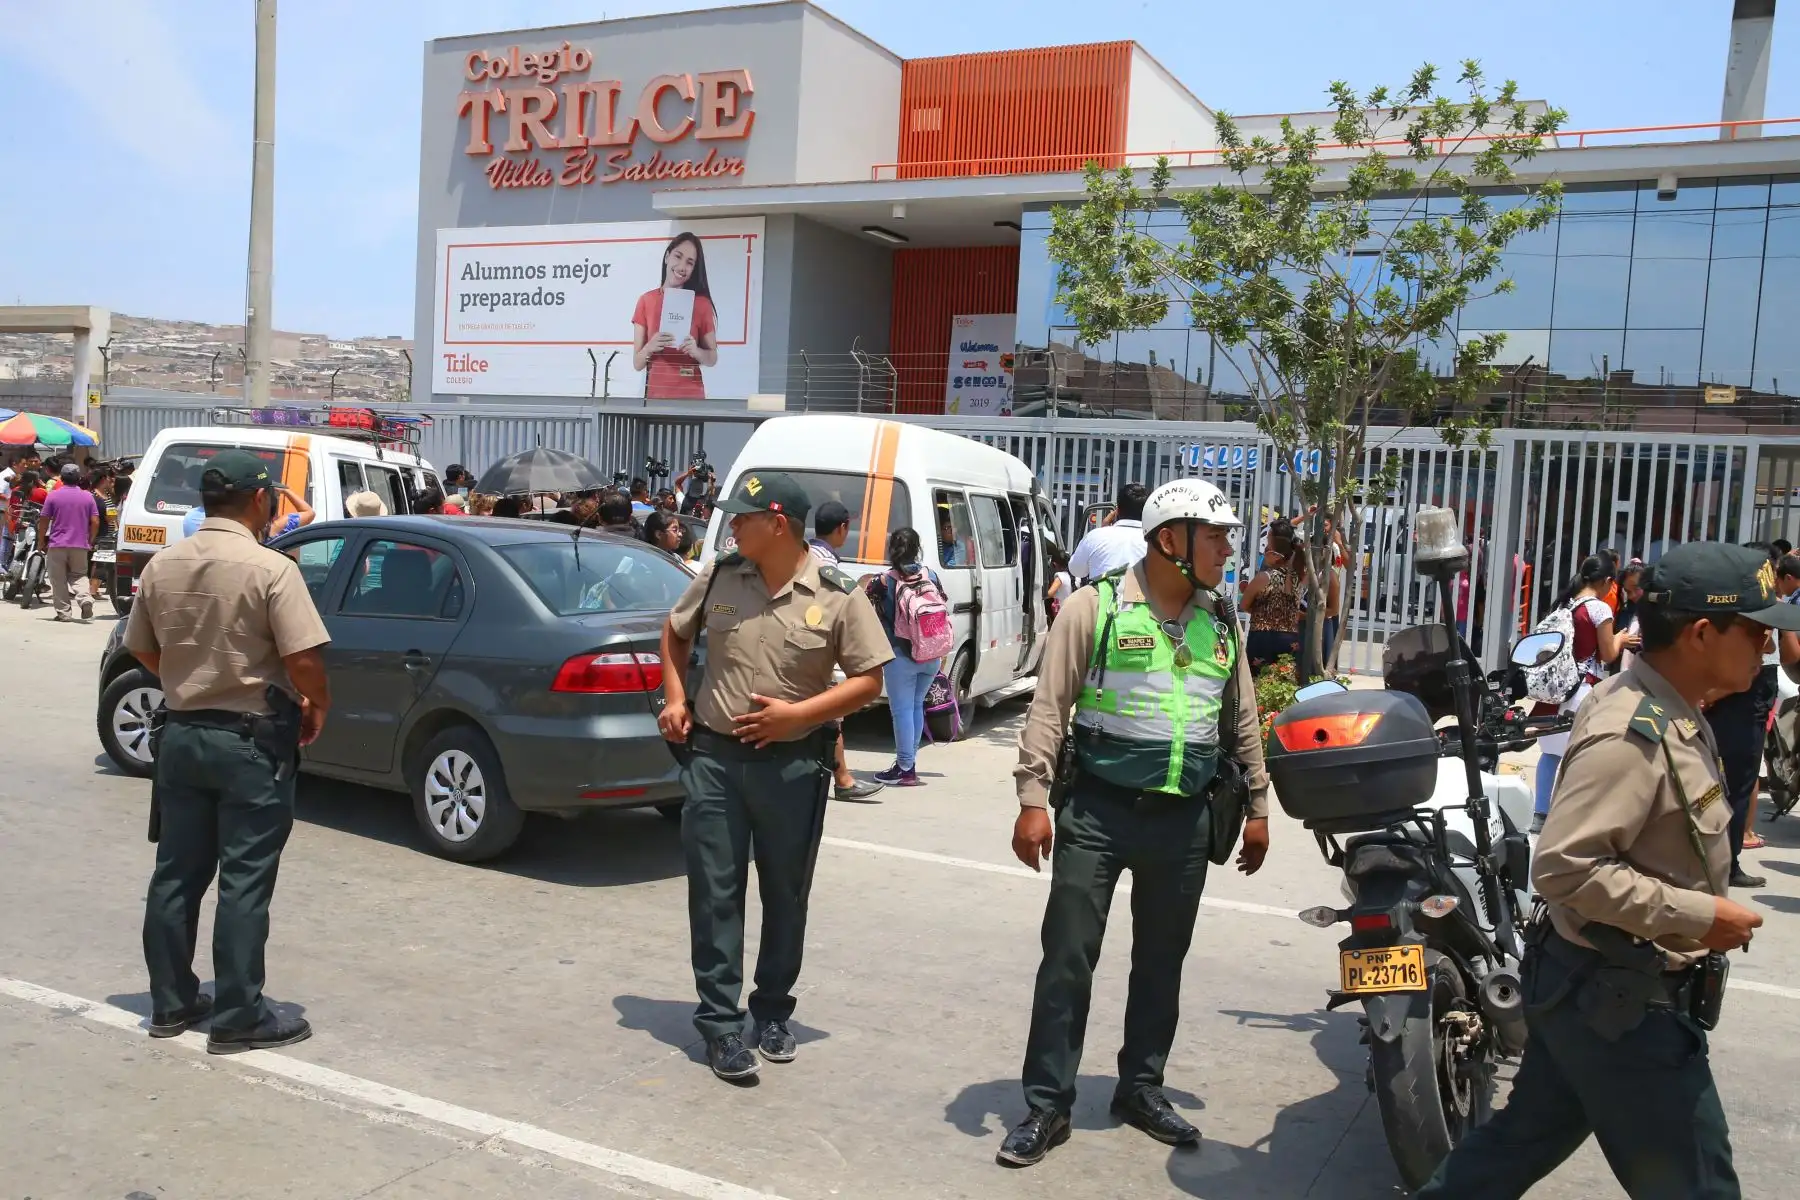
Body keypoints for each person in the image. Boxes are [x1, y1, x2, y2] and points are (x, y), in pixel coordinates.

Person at [1415, 541, 1784, 1200]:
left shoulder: (1675, 709)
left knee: (1512, 1147)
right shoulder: (1632, 731)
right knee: (1699, 1186)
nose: (1769, 648)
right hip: (1622, 1004)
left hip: (1590, 987)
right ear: (1703, 634)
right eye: (1757, 631)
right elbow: (1565, 866)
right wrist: (1703, 916)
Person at [999, 478, 1270, 1167]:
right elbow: (1050, 707)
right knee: (1068, 957)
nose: (1227, 549)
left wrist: (1260, 808)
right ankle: (1047, 1105)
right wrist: (1034, 799)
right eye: (1215, 537)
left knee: (1160, 963)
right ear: (1169, 540)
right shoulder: (1097, 609)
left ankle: (1139, 1089)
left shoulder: (1220, 620)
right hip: (1097, 810)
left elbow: (1239, 720)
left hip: (1183, 821)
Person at [657, 470, 892, 1081]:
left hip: (792, 767)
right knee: (714, 893)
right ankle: (719, 1026)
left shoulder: (839, 593)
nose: (731, 523)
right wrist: (676, 696)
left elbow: (870, 680)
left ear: (779, 522)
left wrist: (798, 717)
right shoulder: (718, 577)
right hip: (714, 758)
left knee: (785, 894)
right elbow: (674, 635)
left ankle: (772, 1012)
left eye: (742, 515)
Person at [127, 449, 333, 1054]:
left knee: (176, 874)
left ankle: (171, 1002)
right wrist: (316, 705)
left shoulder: (164, 564)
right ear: (260, 500)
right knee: (244, 880)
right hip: (249, 741)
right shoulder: (271, 568)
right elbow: (302, 659)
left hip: (182, 735)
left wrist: (189, 680)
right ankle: (239, 1014)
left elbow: (141, 648)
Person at [1702, 542, 1797, 884]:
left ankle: (1722, 861)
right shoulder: (1753, 605)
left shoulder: (1747, 603)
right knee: (1735, 785)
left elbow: (1778, 653)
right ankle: (1725, 865)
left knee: (1725, 783)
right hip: (1740, 702)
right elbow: (1758, 661)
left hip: (1736, 702)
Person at [1531, 555, 1628, 834]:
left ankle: (1541, 813)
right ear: (1608, 582)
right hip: (1584, 689)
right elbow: (1608, 654)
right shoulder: (1600, 610)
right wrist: (1620, 639)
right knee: (1582, 754)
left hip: (1559, 689)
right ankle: (1573, 817)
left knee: (1551, 754)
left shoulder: (1566, 604)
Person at [802, 500, 885, 802]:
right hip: (813, 648)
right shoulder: (828, 566)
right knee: (831, 713)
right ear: (842, 529)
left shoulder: (805, 553)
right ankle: (843, 780)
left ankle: (841, 778)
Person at [863, 528, 947, 787]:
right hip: (931, 654)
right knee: (915, 706)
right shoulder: (930, 575)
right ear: (917, 547)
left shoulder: (883, 581)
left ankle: (905, 768)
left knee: (901, 711)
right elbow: (943, 604)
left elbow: (865, 609)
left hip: (900, 656)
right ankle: (907, 763)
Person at [631, 232, 719, 400]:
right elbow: (637, 363)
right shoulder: (646, 301)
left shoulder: (701, 304)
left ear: (693, 270)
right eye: (678, 256)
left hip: (691, 397)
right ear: (667, 257)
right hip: (655, 397)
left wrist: (696, 351)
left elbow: (712, 358)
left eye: (689, 263)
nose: (681, 266)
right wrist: (650, 346)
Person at [1241, 517, 1307, 674]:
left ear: (1273, 551)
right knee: (1284, 683)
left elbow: (1244, 605)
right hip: (1290, 639)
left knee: (1259, 684)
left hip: (1263, 639)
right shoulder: (1299, 577)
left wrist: (1262, 612)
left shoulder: (1264, 577)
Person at [37, 463, 100, 622]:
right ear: (79, 478)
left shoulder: (53, 495)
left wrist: (40, 541)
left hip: (57, 544)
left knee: (58, 579)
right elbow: (95, 521)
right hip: (79, 544)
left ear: (62, 478)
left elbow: (43, 520)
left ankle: (64, 613)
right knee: (79, 575)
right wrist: (90, 540)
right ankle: (85, 599)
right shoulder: (87, 496)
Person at [1067, 483, 1149, 584]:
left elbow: (1076, 570)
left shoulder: (1095, 537)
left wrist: (1103, 530)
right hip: (1143, 598)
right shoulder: (1155, 541)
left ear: (1117, 511)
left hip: (1102, 599)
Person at [1045, 552, 1072, 623]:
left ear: (1054, 564)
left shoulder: (1060, 576)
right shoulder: (1074, 577)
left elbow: (1050, 593)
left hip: (1061, 611)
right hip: (1070, 609)